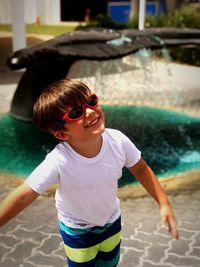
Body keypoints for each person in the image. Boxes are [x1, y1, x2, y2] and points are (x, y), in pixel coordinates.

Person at [0, 79, 179, 266]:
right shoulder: (59, 161)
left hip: (111, 221)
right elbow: (24, 195)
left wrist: (164, 203)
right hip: (77, 231)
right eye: (77, 113)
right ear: (62, 134)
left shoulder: (118, 141)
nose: (91, 111)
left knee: (110, 263)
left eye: (91, 101)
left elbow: (141, 169)